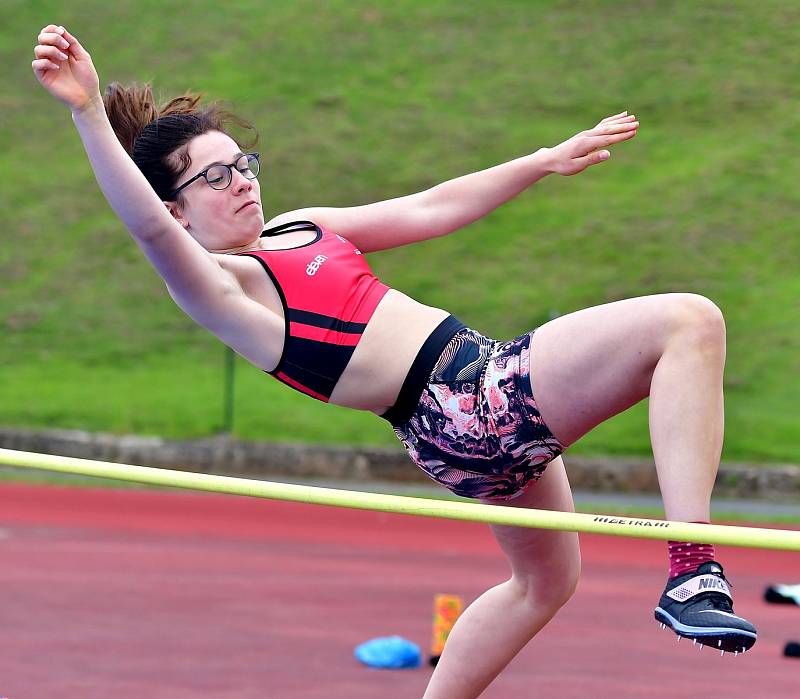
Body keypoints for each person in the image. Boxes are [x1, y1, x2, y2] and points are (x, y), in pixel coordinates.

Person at [32, 24, 757, 698]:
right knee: (689, 321)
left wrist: (542, 161)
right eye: (215, 179)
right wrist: (89, 112)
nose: (243, 181)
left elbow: (431, 207)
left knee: (544, 584)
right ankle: (693, 570)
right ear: (179, 210)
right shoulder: (224, 286)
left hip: (462, 417)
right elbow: (149, 230)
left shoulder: (301, 228)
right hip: (467, 401)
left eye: (241, 164)